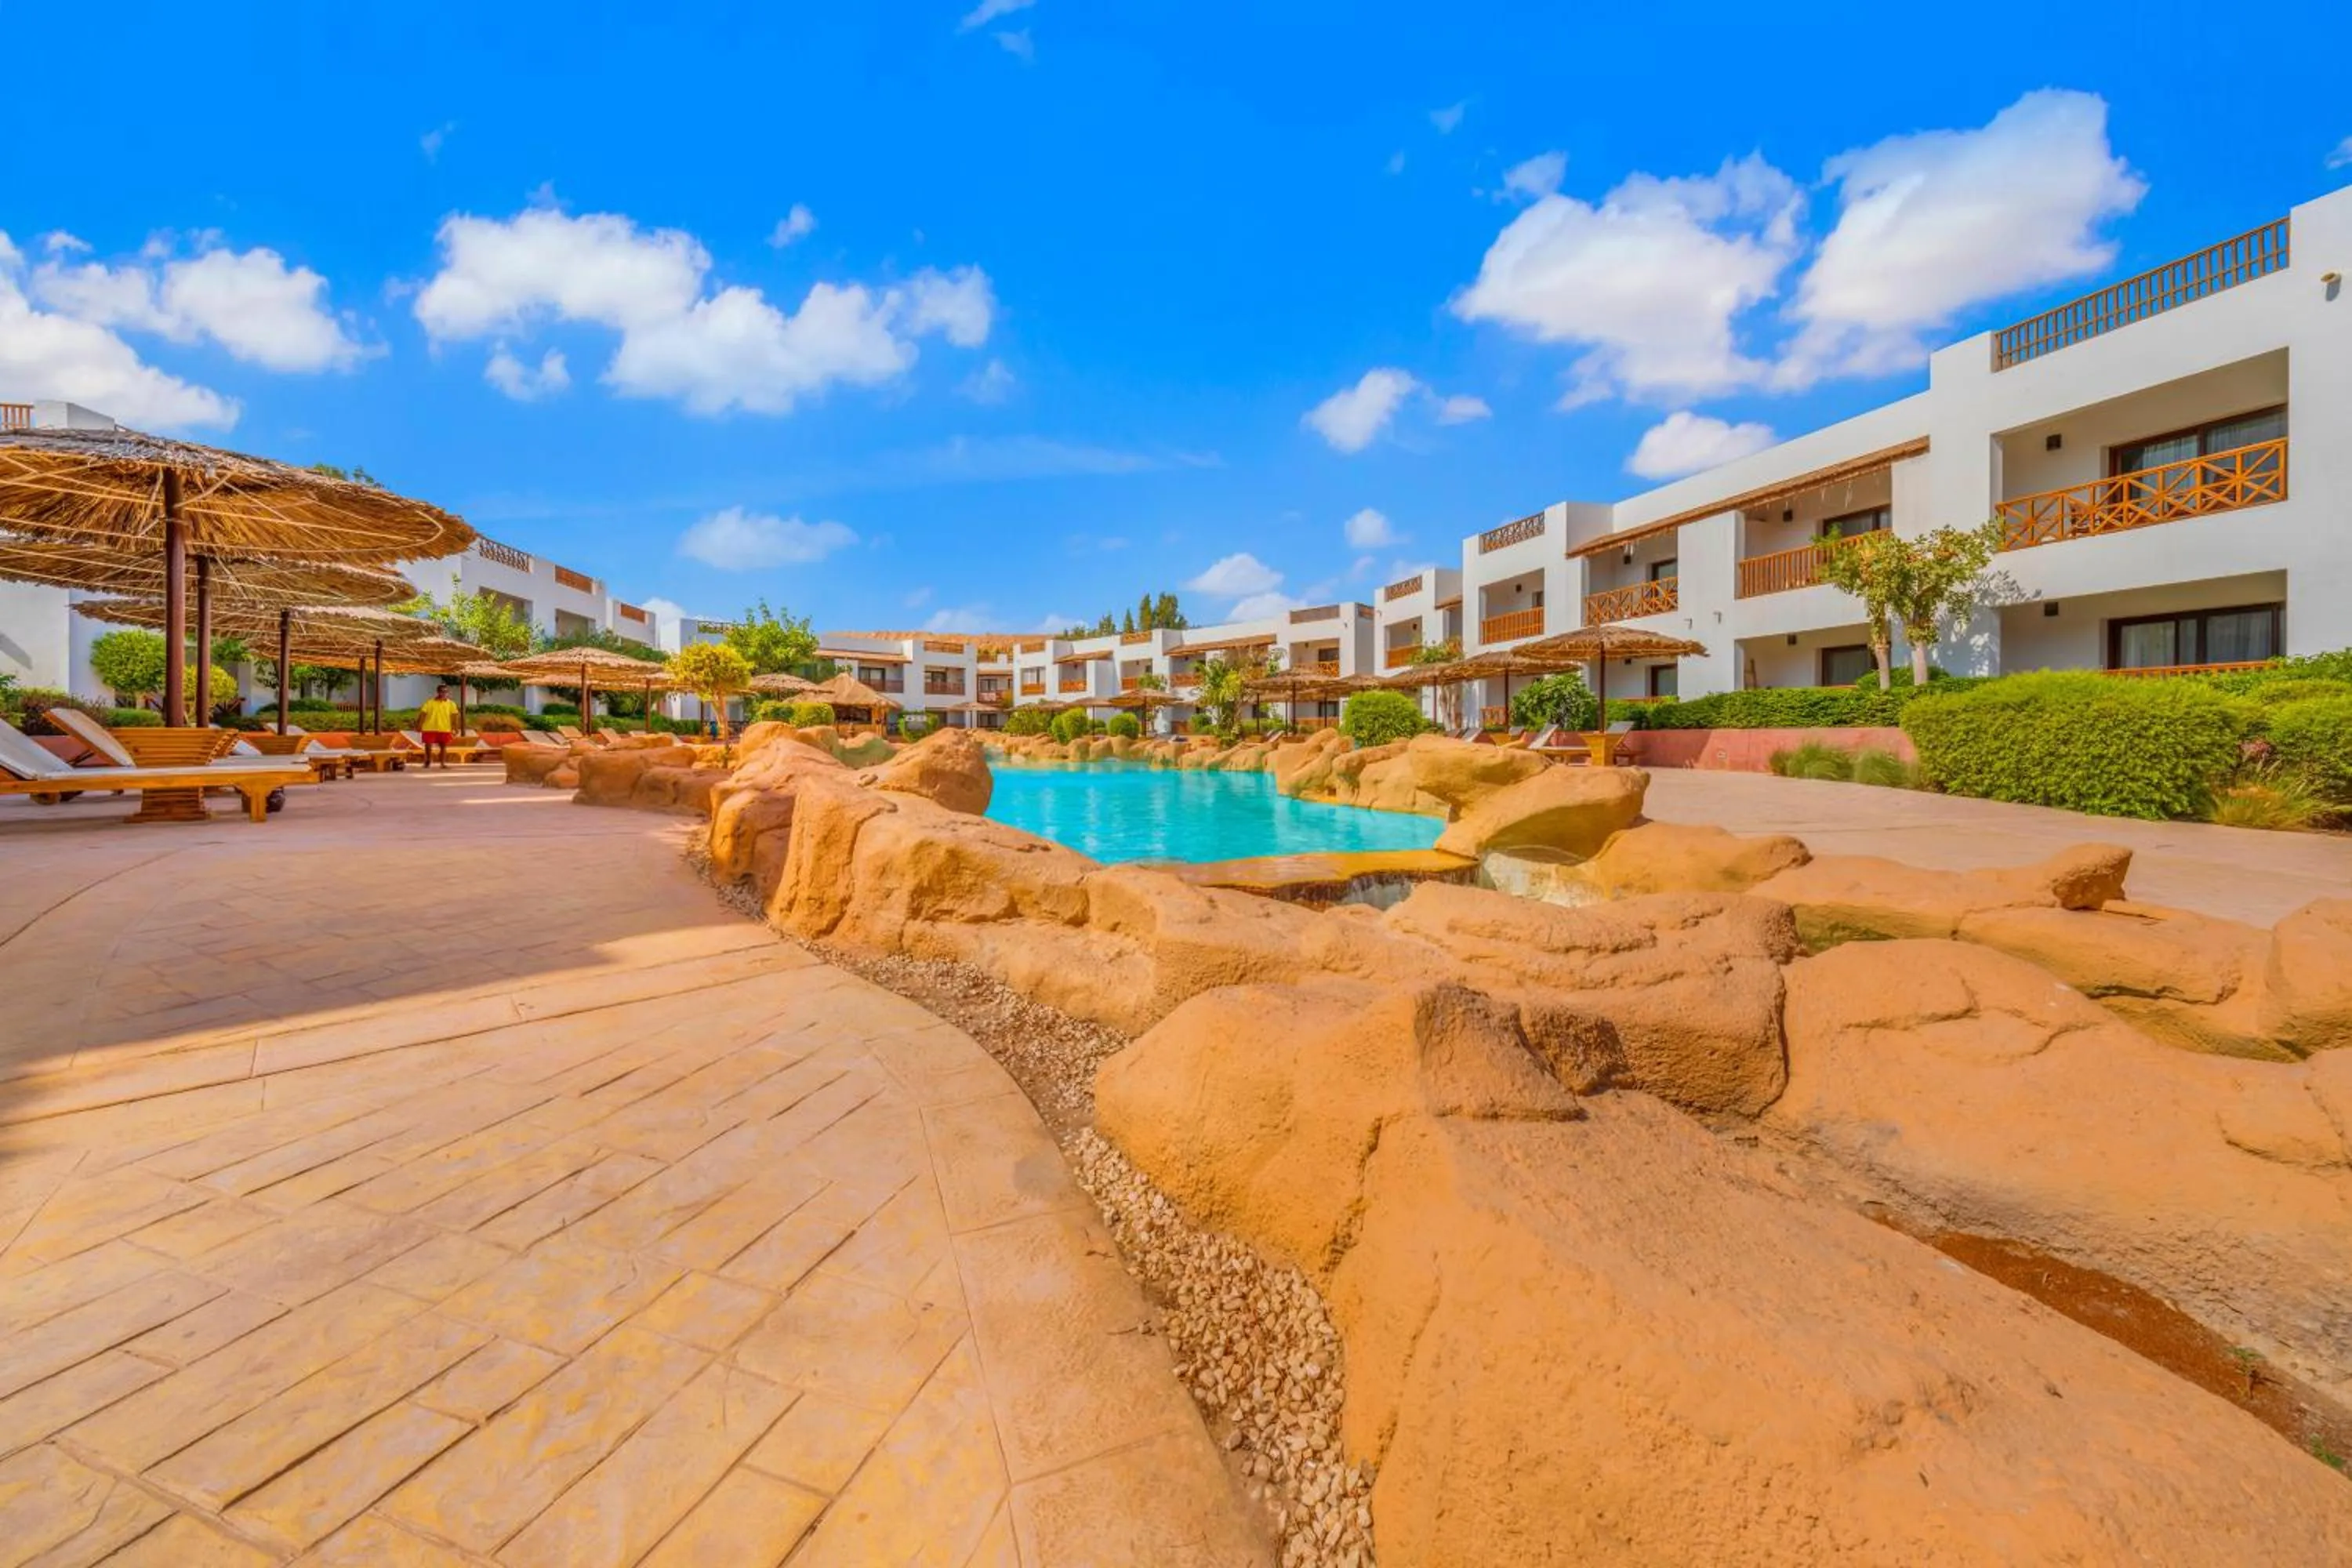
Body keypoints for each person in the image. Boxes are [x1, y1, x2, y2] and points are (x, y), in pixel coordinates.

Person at [416, 685, 460, 769]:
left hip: (445, 728)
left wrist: (455, 727)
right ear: (438, 692)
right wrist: (419, 725)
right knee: (428, 746)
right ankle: (428, 761)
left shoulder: (451, 704)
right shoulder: (429, 702)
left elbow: (455, 716)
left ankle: (442, 763)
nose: (444, 693)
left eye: (446, 691)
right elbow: (423, 714)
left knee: (443, 746)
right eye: (442, 691)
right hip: (429, 727)